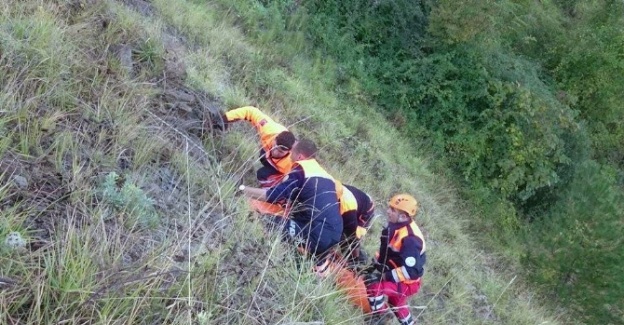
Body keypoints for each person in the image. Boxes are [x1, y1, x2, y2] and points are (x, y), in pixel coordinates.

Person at [239, 138, 343, 276]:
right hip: (335, 234)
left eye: (292, 152)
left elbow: (272, 196)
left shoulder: (301, 170)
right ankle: (319, 262)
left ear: (299, 156)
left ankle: (306, 266)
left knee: (267, 222)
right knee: (301, 236)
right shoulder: (327, 177)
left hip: (316, 233)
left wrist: (242, 189)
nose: (290, 155)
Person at [362, 194, 426, 325]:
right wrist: (376, 266)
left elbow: (412, 271)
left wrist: (385, 276)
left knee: (374, 286)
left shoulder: (411, 239)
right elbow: (388, 252)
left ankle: (380, 319)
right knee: (396, 302)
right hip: (398, 274)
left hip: (408, 282)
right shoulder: (396, 226)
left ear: (403, 216)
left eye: (392, 209)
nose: (388, 211)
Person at [215, 106, 296, 188]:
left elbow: (295, 183)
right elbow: (250, 111)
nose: (275, 152)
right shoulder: (269, 129)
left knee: (262, 176)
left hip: (280, 170)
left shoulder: (293, 162)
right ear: (275, 138)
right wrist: (225, 118)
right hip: (265, 155)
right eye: (274, 146)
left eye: (280, 152)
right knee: (262, 155)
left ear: (289, 151)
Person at [339, 184, 375, 265]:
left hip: (365, 209)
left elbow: (353, 235)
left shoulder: (348, 207)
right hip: (353, 202)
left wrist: (355, 258)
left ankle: (357, 261)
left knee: (351, 235)